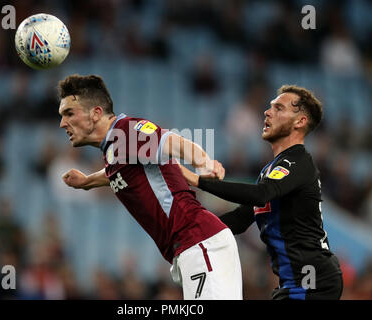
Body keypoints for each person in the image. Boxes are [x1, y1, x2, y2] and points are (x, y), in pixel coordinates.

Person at [56, 74, 242, 300]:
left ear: (95, 113)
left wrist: (204, 163)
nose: (62, 123)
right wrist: (87, 182)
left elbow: (174, 143)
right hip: (191, 246)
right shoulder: (115, 147)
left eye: (69, 113)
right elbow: (121, 171)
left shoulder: (126, 131)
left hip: (198, 239)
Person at [181, 85, 343, 300]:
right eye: (270, 107)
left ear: (300, 121)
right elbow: (239, 219)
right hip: (293, 281)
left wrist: (195, 180)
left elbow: (260, 194)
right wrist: (188, 235)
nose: (268, 112)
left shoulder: (299, 161)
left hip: (312, 278)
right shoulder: (270, 172)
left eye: (279, 108)